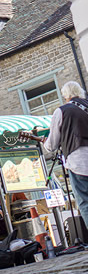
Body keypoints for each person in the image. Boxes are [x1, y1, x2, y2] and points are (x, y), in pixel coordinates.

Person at [41, 81, 88, 225]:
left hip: (78, 162)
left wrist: (44, 141)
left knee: (85, 203)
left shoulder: (62, 111)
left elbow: (51, 145)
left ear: (66, 96)